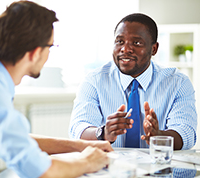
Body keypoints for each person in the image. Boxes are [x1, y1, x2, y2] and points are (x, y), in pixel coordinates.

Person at [0, 1, 113, 178]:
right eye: (50, 46)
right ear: (35, 52)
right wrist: (88, 162)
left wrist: (79, 146)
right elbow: (41, 171)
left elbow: (15, 139)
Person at [69, 13, 197, 150]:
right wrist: (103, 133)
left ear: (154, 49)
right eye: (119, 42)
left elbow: (187, 133)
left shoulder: (178, 83)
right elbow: (78, 129)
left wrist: (158, 136)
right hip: (108, 167)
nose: (125, 49)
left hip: (158, 167)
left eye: (136, 43)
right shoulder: (94, 80)